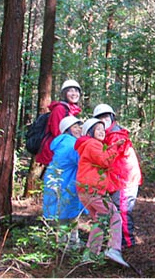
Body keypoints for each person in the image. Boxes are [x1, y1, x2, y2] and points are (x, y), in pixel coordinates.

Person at [75, 117, 129, 267]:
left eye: (102, 129)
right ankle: (114, 249)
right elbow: (104, 161)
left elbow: (100, 158)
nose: (102, 132)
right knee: (115, 217)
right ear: (90, 132)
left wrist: (113, 146)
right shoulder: (92, 144)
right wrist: (115, 148)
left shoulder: (88, 145)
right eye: (97, 129)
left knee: (101, 220)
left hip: (86, 191)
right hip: (93, 191)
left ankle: (90, 254)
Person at [93, 103, 143, 249]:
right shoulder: (109, 135)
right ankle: (118, 240)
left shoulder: (116, 136)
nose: (104, 119)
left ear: (112, 117)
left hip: (125, 180)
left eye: (106, 116)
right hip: (118, 179)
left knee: (123, 211)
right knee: (117, 210)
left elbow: (110, 158)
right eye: (100, 118)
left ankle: (127, 243)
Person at [43, 116, 86, 248]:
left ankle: (71, 241)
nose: (78, 129)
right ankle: (66, 244)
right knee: (66, 213)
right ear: (67, 130)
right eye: (75, 127)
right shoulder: (71, 143)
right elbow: (82, 161)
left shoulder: (62, 142)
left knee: (64, 212)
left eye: (79, 126)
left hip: (59, 180)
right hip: (64, 182)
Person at [36, 79, 83, 166]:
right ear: (64, 93)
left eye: (76, 91)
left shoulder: (71, 110)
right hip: (55, 151)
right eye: (70, 91)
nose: (74, 94)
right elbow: (57, 132)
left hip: (64, 150)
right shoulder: (60, 109)